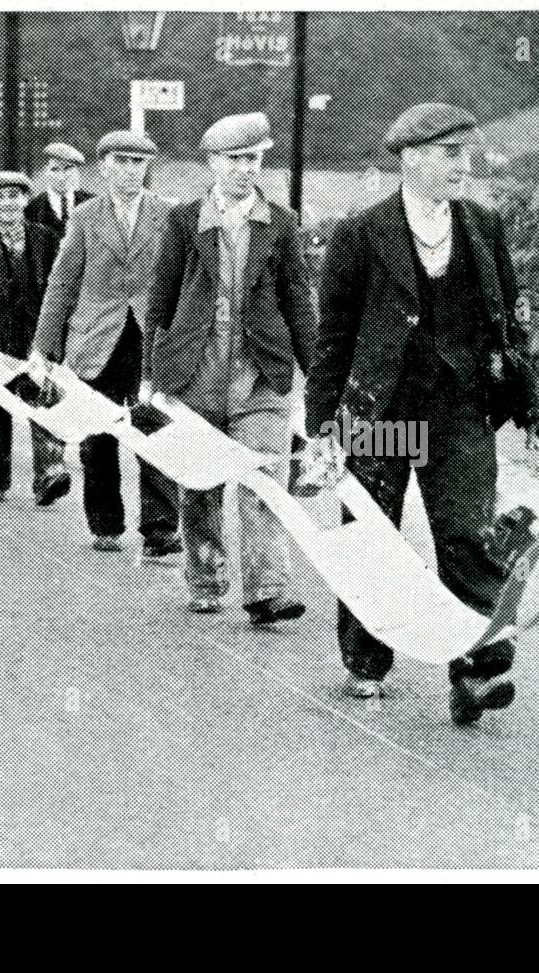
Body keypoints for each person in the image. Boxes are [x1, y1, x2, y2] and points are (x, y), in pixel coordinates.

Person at [306, 103, 539, 724]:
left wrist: (527, 406)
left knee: (468, 532)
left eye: (466, 154)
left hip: (460, 407)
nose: (463, 166)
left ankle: (474, 670)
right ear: (411, 157)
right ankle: (365, 660)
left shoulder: (483, 228)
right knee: (374, 536)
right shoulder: (361, 234)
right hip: (381, 409)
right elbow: (333, 336)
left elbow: (508, 324)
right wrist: (323, 427)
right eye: (450, 154)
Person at [145, 112, 315, 623]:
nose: (244, 170)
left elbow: (299, 303)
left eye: (252, 160)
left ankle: (267, 588)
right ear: (213, 164)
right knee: (200, 484)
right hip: (195, 370)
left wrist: (316, 381)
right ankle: (207, 579)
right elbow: (161, 301)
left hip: (260, 372)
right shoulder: (183, 222)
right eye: (233, 160)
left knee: (264, 478)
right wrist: (154, 377)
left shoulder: (281, 224)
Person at [32, 130, 181, 556]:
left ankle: (159, 527)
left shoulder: (167, 215)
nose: (130, 170)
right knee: (98, 434)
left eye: (138, 163)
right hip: (95, 338)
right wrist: (44, 349)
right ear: (104, 167)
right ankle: (105, 523)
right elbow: (62, 284)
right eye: (121, 162)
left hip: (151, 338)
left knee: (153, 427)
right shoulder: (84, 217)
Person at [0, 171, 72, 505]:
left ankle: (48, 475)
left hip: (37, 335)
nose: (8, 202)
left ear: (25, 199)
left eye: (14, 195)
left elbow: (62, 287)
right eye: (0, 197)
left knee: (45, 400)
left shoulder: (46, 238)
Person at [25, 142, 94, 239]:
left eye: (68, 168)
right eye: (54, 169)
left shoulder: (92, 203)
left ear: (76, 170)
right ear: (45, 171)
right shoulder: (32, 209)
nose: (61, 177)